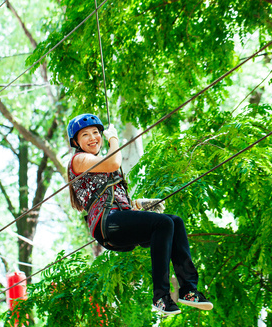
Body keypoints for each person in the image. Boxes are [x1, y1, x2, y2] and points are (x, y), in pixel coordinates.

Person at [67, 113, 213, 315]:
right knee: (163, 224)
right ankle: (160, 297)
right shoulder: (80, 159)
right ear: (76, 142)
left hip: (118, 220)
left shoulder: (101, 162)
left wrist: (137, 205)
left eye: (95, 133)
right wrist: (113, 138)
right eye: (85, 135)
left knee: (174, 222)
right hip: (107, 223)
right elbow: (114, 164)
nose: (93, 138)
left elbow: (114, 195)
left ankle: (188, 290)